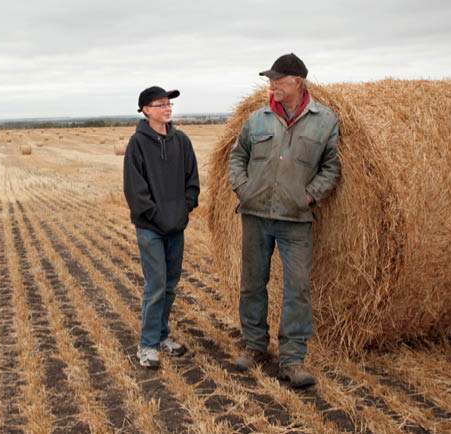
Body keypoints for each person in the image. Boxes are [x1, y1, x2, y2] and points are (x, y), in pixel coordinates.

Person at [228, 53, 341, 387]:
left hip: (296, 219)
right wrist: (243, 189)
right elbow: (237, 157)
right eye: (270, 80)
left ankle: (292, 360)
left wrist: (309, 196)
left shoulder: (324, 121)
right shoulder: (257, 119)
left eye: (278, 79)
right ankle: (255, 347)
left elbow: (331, 167)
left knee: (297, 290)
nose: (272, 84)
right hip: (256, 214)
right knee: (251, 284)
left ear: (297, 82)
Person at [124, 86, 200, 368]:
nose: (167, 109)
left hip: (176, 227)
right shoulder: (137, 144)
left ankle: (162, 335)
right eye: (161, 105)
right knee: (155, 285)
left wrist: (183, 209)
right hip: (150, 228)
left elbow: (193, 181)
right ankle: (147, 345)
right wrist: (157, 216)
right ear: (145, 110)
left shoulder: (182, 142)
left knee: (170, 285)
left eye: (169, 104)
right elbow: (135, 191)